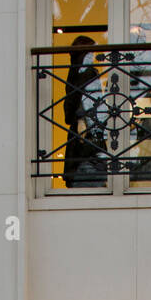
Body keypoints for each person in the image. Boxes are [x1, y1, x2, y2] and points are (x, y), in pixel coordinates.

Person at [62, 35, 107, 187]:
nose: (94, 57)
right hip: (88, 148)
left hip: (78, 150)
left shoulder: (73, 74)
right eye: (92, 53)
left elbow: (69, 112)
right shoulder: (88, 73)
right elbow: (95, 109)